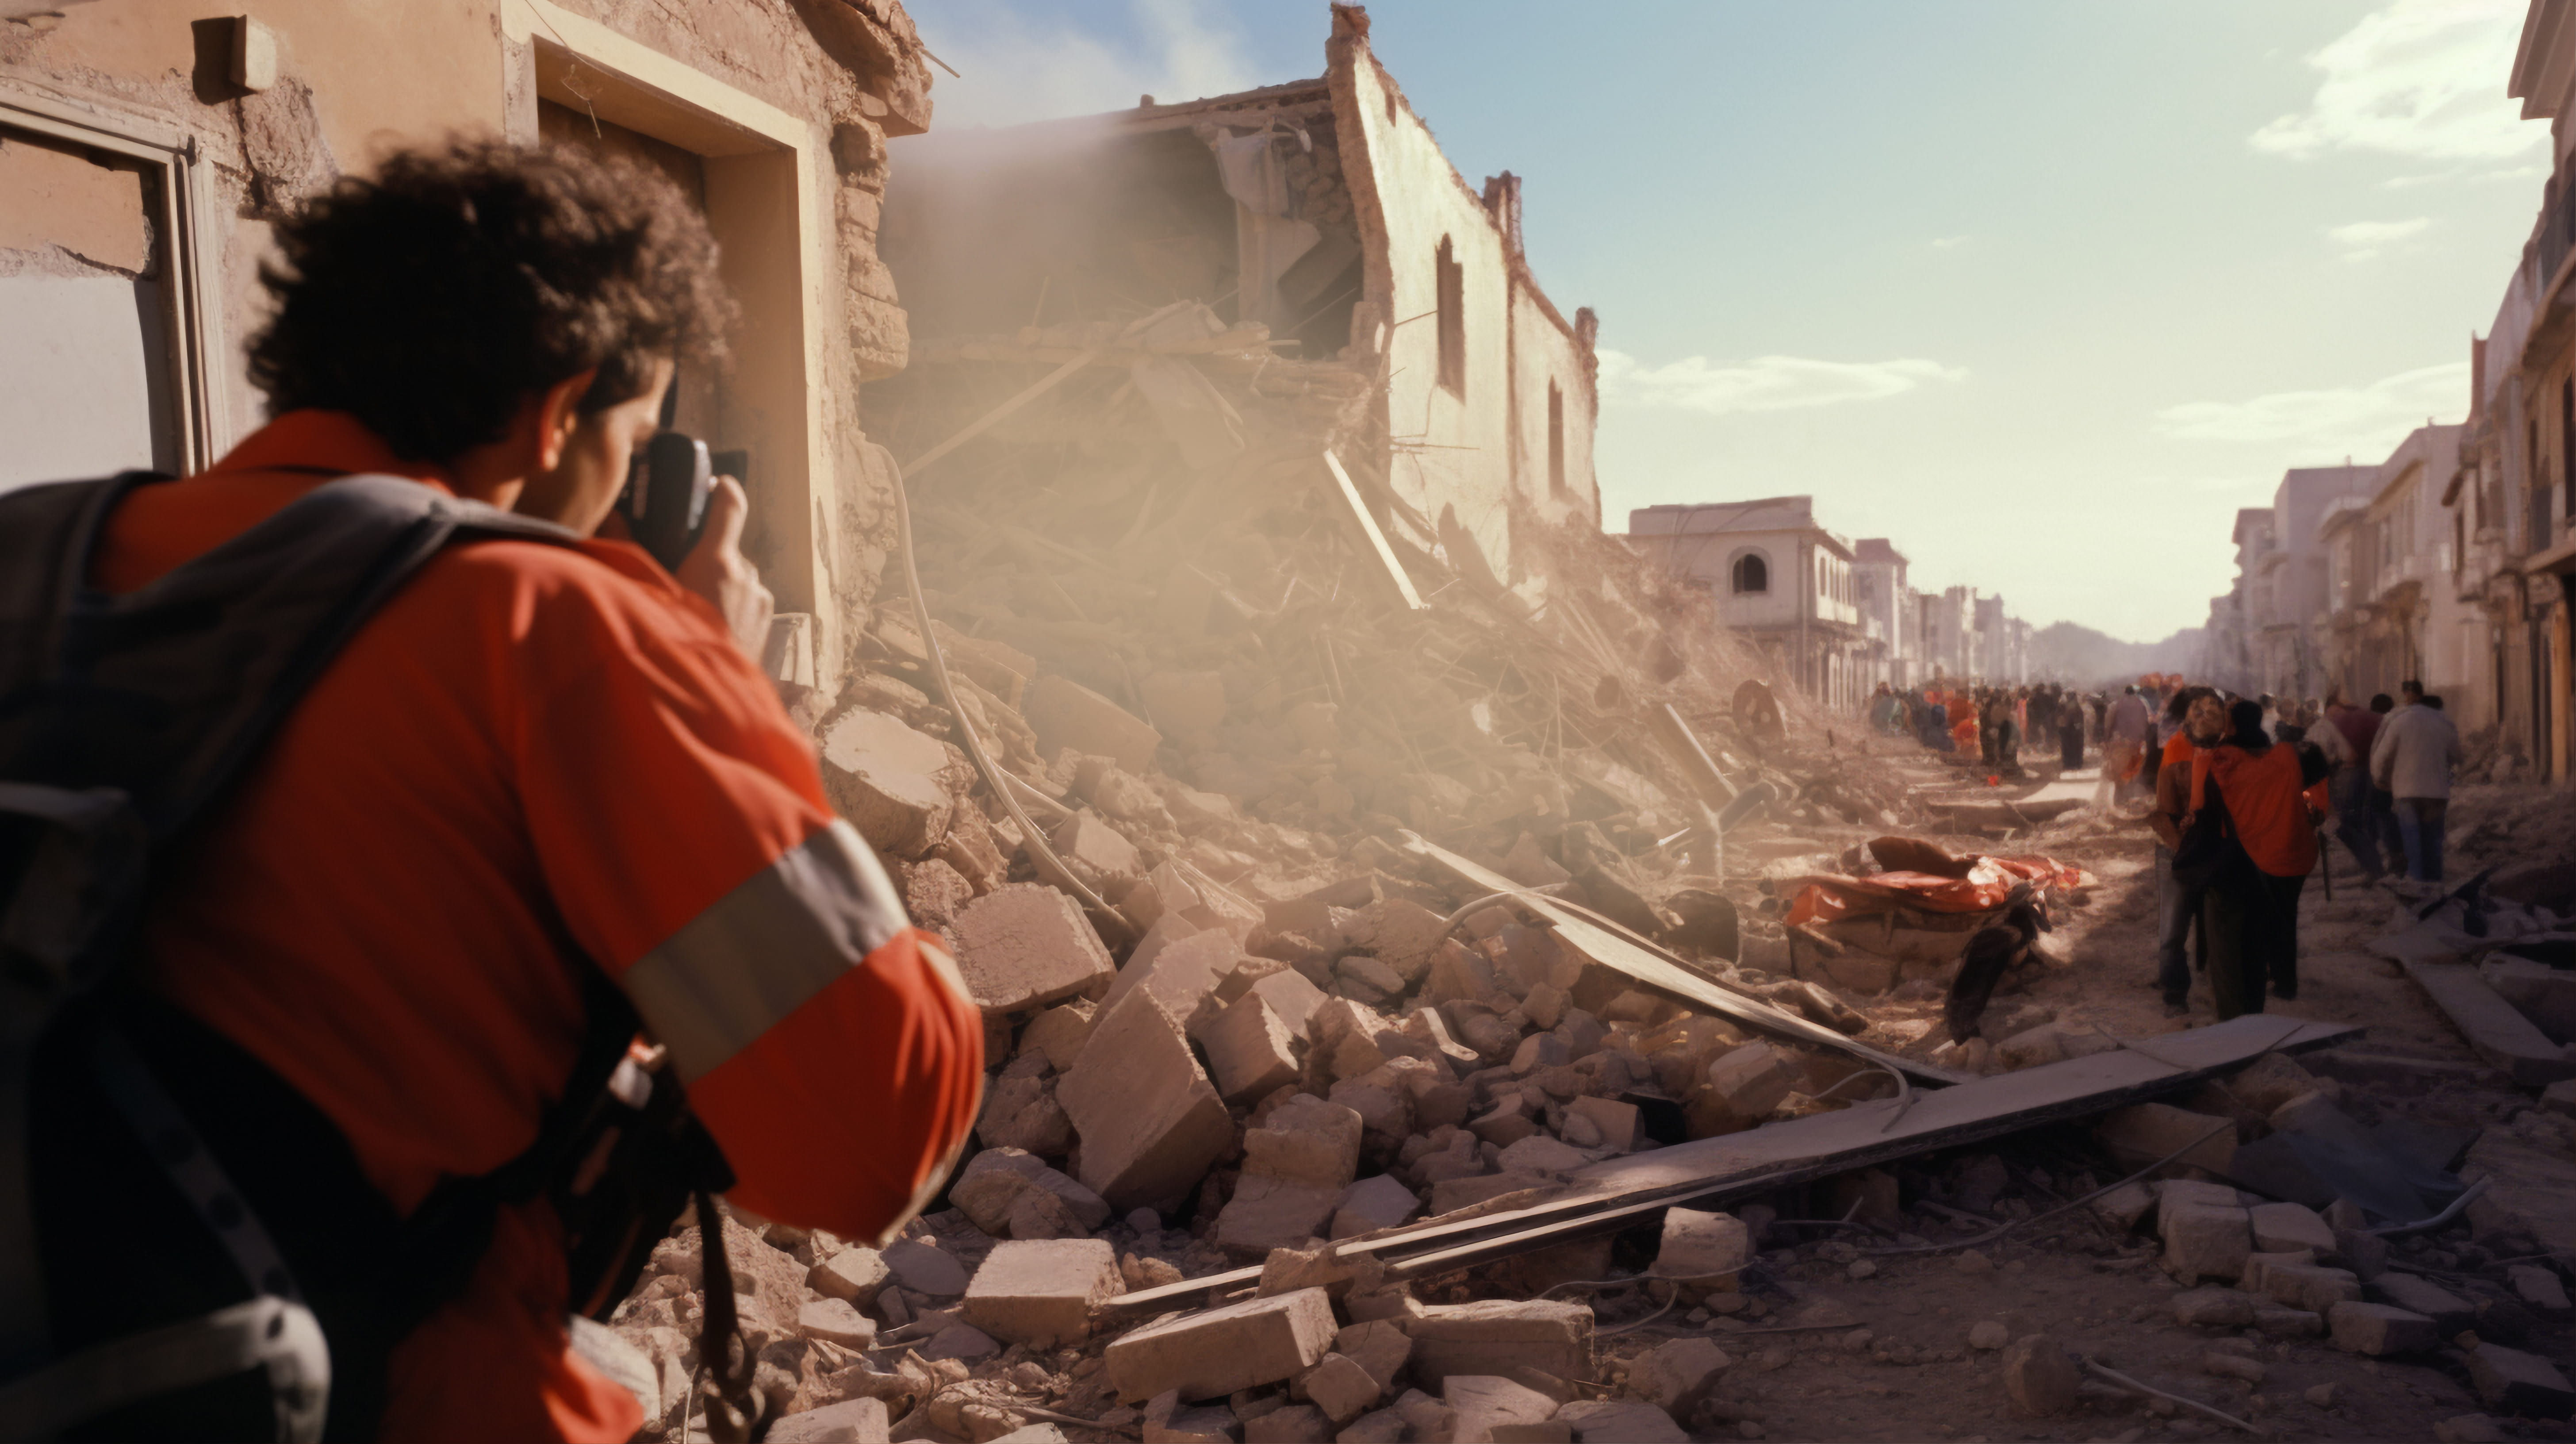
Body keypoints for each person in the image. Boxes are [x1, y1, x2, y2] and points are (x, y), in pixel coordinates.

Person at [18, 142, 984, 1441]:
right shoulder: (554, 625)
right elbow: (874, 1136)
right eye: (632, 439)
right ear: (558, 409)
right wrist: (733, 692)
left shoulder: (31, 552)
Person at [2195, 699, 2330, 1016]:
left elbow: (2204, 808)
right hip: (2294, 848)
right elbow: (2315, 775)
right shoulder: (2281, 754)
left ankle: (2251, 998)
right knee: (2284, 915)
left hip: (2249, 855)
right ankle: (2284, 979)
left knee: (2247, 929)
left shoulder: (2222, 759)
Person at [2147, 691, 2231, 1015]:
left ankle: (2220, 990)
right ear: (2190, 716)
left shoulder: (2232, 750)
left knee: (2220, 930)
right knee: (2172, 932)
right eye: (2201, 710)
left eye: (2214, 710)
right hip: (2178, 850)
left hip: (2220, 851)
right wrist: (2185, 849)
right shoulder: (2176, 749)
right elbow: (2165, 811)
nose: (2207, 715)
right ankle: (2175, 994)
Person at [2372, 683, 2462, 883]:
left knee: (2413, 843)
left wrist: (2381, 781)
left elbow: (2381, 758)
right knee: (2433, 844)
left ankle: (2417, 886)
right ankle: (2435, 888)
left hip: (2407, 792)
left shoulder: (2399, 722)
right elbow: (2458, 755)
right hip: (2437, 793)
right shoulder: (2444, 723)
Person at [2105, 685, 2150, 800]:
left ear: (2124, 693)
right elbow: (2147, 723)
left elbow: (2110, 724)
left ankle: (2120, 796)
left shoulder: (2116, 705)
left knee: (2120, 770)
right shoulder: (2142, 704)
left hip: (2122, 742)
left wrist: (2107, 740)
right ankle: (2130, 795)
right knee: (2134, 768)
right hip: (2138, 742)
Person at [2057, 688, 2086, 770]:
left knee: (2070, 748)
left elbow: (2070, 721)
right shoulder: (2075, 706)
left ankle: (2070, 764)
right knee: (2076, 748)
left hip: (2071, 731)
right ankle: (2075, 764)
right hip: (2074, 731)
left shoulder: (2070, 706)